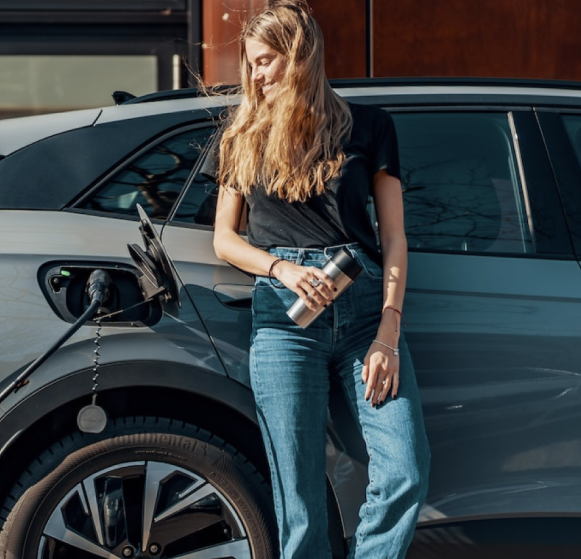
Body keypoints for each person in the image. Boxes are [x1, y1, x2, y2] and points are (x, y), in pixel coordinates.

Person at [204, 2, 430, 557]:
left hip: (363, 318)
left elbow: (395, 237)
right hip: (284, 320)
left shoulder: (370, 127)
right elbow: (225, 240)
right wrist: (282, 267)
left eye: (266, 61)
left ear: (301, 56)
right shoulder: (242, 137)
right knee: (299, 499)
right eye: (251, 65)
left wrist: (388, 333)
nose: (256, 76)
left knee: (406, 469)